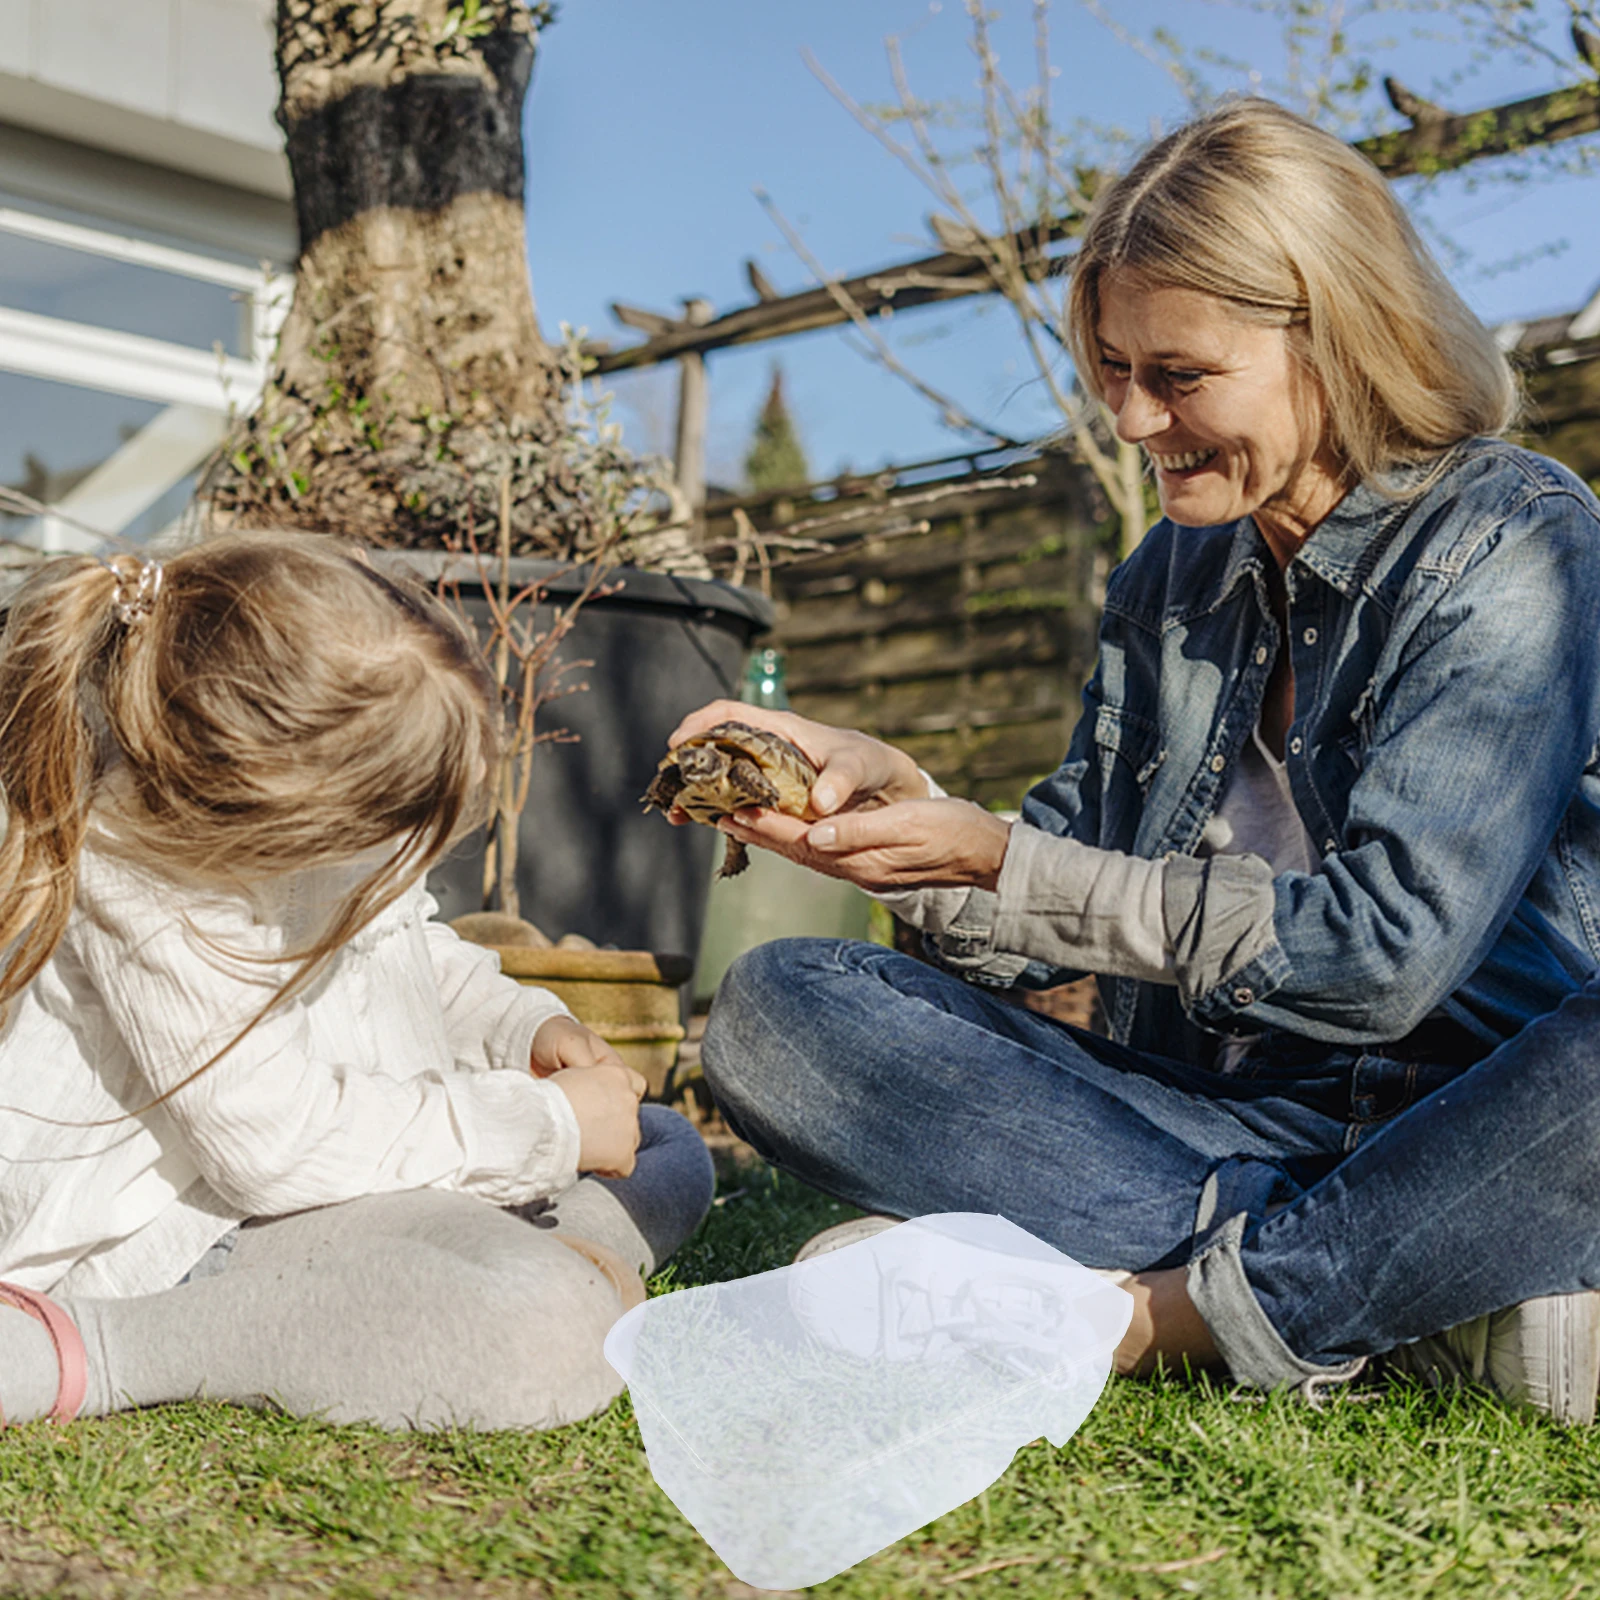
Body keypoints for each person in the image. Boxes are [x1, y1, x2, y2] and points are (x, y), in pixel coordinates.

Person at [680, 97, 1600, 1422]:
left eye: (1176, 375)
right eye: (1110, 367)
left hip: (1475, 1116)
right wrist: (910, 823)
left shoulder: (1512, 539)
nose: (1127, 419)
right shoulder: (1175, 571)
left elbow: (1385, 957)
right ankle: (1408, 1280)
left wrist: (1006, 863)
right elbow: (1065, 887)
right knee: (781, 1010)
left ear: (1336, 337)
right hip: (1222, 1121)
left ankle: (1152, 1314)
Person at [0, 532, 712, 1431]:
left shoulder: (300, 819)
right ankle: (100, 1347)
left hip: (355, 1160)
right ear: (293, 815)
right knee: (543, 1326)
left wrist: (522, 1030)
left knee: (669, 1147)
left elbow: (411, 951)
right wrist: (549, 1128)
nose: (407, 862)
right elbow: (273, 1147)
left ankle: (545, 1253)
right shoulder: (150, 877)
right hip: (187, 1225)